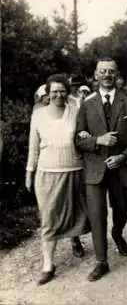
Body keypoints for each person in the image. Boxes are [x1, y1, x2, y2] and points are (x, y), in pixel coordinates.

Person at [75, 57, 127, 281]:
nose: (106, 75)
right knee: (97, 215)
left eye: (111, 71)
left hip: (121, 168)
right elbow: (77, 140)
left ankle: (117, 233)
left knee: (122, 210)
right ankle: (101, 261)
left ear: (117, 75)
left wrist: (123, 157)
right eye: (102, 71)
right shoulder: (86, 104)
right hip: (94, 170)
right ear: (96, 75)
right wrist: (97, 141)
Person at [26, 74, 89, 285]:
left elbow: (84, 137)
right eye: (54, 91)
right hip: (47, 173)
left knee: (76, 212)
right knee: (49, 217)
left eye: (62, 91)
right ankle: (48, 265)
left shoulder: (76, 109)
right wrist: (29, 172)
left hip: (75, 170)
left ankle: (75, 239)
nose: (58, 95)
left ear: (67, 92)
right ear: (47, 93)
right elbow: (33, 146)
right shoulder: (38, 114)